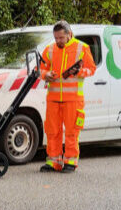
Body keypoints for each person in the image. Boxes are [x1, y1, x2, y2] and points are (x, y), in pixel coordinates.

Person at [39, 20, 96, 172]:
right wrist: (46, 74)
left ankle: (71, 162)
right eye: (56, 38)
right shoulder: (49, 49)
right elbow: (41, 69)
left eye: (61, 38)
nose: (58, 41)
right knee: (52, 131)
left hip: (73, 99)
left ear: (69, 34)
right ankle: (53, 161)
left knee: (72, 131)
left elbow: (92, 69)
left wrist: (79, 72)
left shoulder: (82, 48)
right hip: (53, 99)